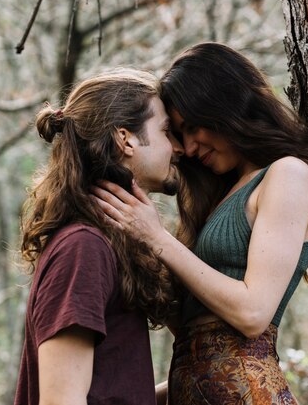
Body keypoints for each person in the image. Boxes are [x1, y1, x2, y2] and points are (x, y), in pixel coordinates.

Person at [92, 43, 308, 405]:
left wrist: (157, 237)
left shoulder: (288, 176)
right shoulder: (215, 197)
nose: (188, 147)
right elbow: (199, 351)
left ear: (225, 106)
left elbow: (253, 313)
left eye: (194, 127)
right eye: (178, 134)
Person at [14, 69, 184, 405]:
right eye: (166, 132)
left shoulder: (107, 246)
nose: (178, 147)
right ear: (125, 139)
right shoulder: (83, 249)